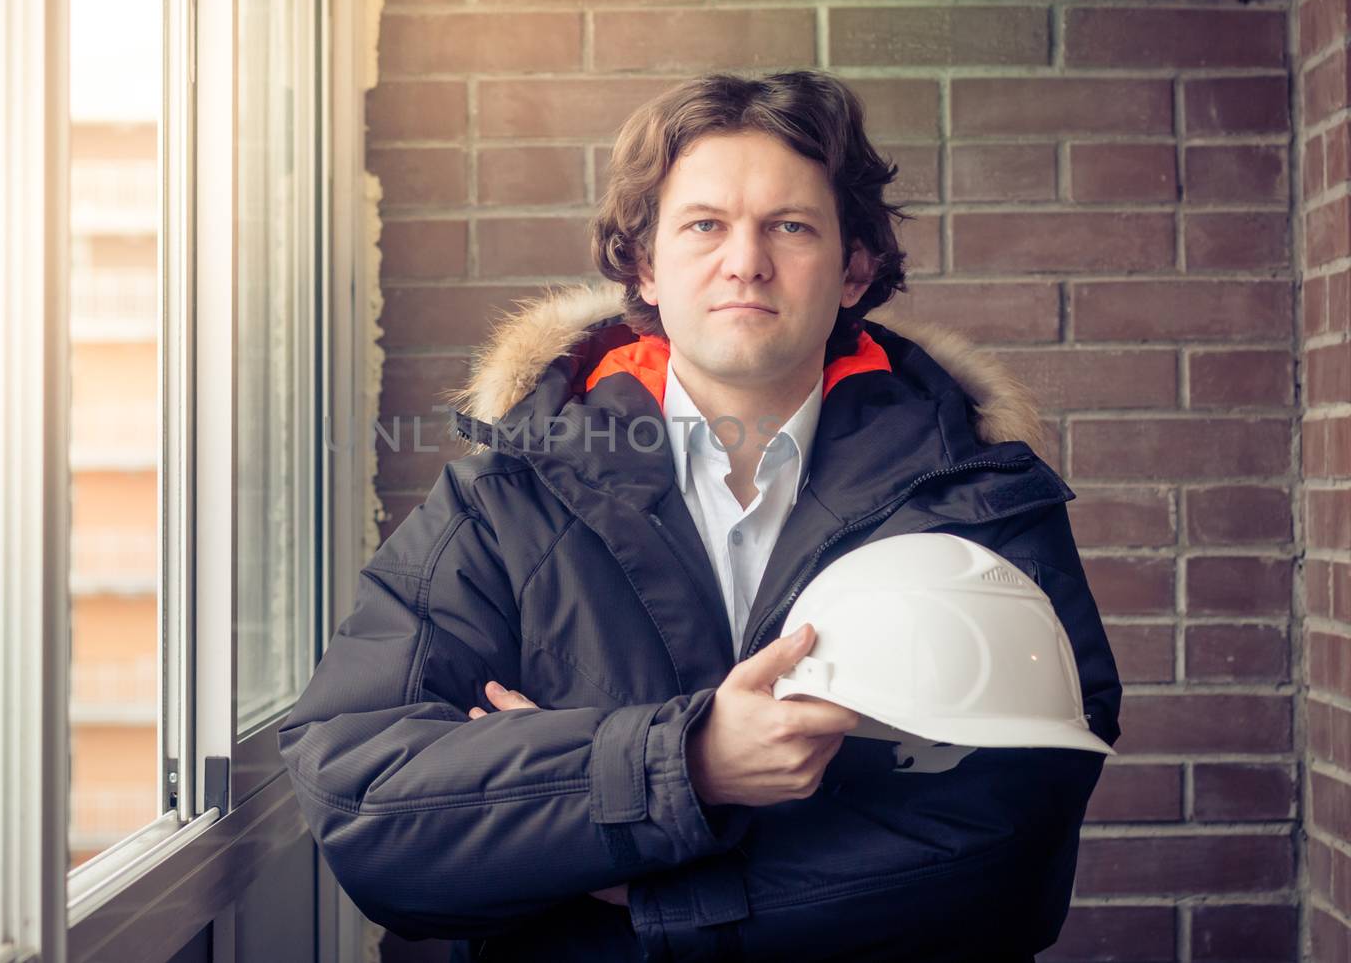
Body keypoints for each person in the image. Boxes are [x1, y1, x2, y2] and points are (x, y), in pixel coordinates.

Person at [278, 70, 1122, 962]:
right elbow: (369, 807)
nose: (745, 260)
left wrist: (609, 854)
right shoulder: (503, 502)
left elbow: (1005, 857)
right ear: (646, 264)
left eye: (790, 226)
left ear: (854, 270)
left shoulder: (982, 499)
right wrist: (687, 765)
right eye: (705, 225)